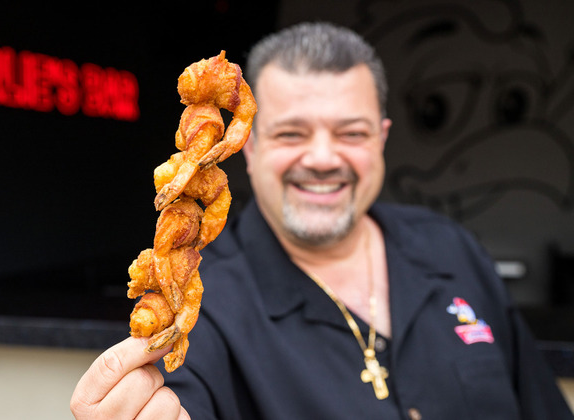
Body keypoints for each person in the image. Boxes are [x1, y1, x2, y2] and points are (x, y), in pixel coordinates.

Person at [70, 22, 574, 419]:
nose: (322, 158)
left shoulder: (450, 247)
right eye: (291, 133)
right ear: (249, 145)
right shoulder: (203, 300)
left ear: (381, 139)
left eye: (351, 132)